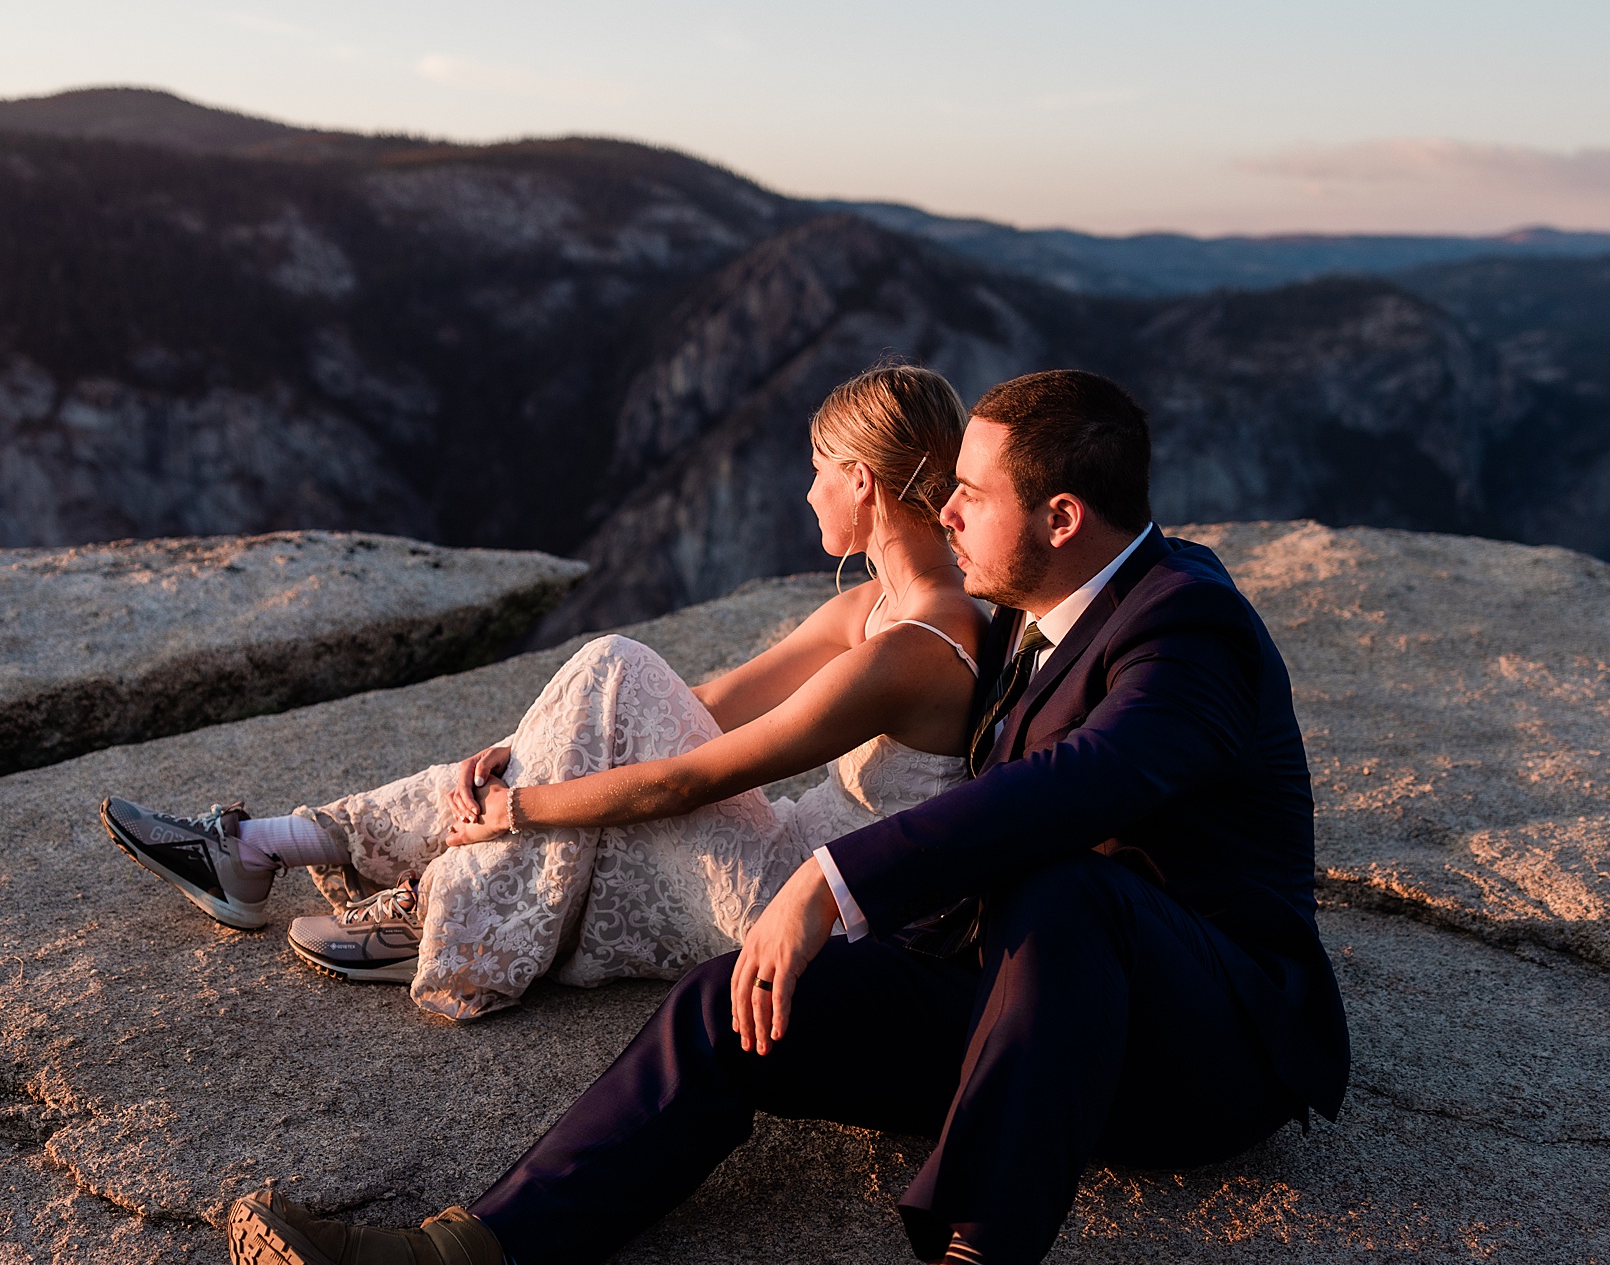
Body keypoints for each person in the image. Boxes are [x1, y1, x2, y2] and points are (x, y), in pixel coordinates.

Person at [220, 368, 1352, 1265]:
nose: (945, 510)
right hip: (1027, 1010)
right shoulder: (1027, 613)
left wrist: (833, 878)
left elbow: (1077, 790)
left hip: (1200, 1048)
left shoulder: (1189, 626)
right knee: (733, 1005)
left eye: (969, 491)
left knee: (1078, 884)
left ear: (1064, 517)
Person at [100, 363, 990, 1021]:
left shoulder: (914, 646)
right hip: (784, 863)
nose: (807, 491)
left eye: (819, 470)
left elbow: (698, 777)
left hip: (802, 909)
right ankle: (273, 847)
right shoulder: (879, 604)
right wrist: (531, 744)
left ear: (863, 482)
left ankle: (441, 917)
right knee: (612, 686)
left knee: (615, 667)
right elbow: (705, 705)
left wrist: (523, 806)